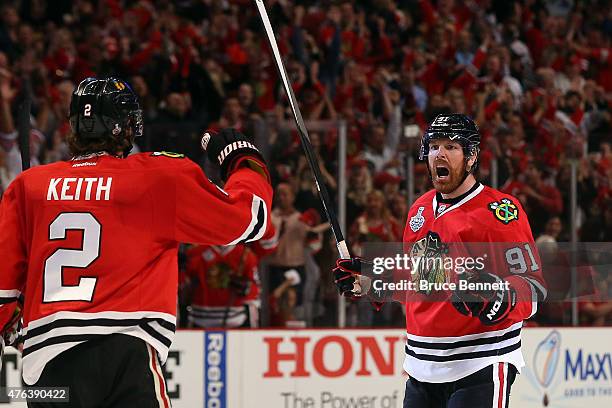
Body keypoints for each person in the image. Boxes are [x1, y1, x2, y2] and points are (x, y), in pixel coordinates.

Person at [0, 77, 273, 407]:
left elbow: (3, 289)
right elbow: (249, 219)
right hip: (126, 350)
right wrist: (244, 162)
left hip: (49, 360)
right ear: (124, 127)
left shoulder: (30, 186)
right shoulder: (157, 176)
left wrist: (13, 321)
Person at [333, 114, 546, 408]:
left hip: (480, 363)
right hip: (423, 368)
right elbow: (424, 283)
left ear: (471, 157)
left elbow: (533, 289)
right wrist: (372, 282)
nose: (439, 154)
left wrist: (500, 296)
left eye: (451, 147)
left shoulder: (499, 212)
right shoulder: (420, 209)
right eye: (434, 146)